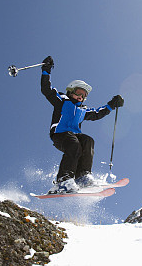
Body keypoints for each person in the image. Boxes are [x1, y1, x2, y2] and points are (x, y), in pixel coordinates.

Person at [40, 55, 123, 193]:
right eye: (79, 93)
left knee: (88, 141)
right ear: (71, 90)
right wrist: (46, 71)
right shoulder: (62, 100)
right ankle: (63, 180)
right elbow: (46, 89)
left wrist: (112, 105)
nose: (81, 97)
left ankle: (82, 177)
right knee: (74, 144)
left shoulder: (82, 110)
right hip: (59, 134)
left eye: (84, 95)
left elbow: (97, 113)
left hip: (73, 136)